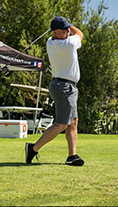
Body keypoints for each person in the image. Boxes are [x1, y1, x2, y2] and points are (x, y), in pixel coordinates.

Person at [25, 17, 85, 166]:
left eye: (68, 29)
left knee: (73, 122)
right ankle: (33, 148)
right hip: (65, 87)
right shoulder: (69, 44)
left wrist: (64, 27)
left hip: (63, 86)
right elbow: (80, 33)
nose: (68, 31)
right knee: (62, 124)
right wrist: (72, 26)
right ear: (56, 32)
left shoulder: (50, 42)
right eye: (65, 30)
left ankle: (72, 155)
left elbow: (70, 33)